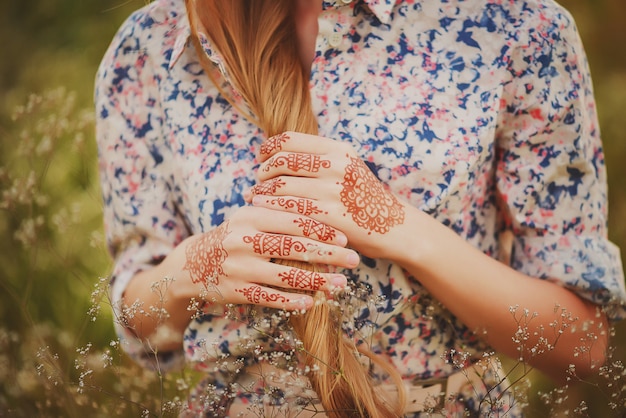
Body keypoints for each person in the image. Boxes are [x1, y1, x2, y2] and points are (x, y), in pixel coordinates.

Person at [95, 0, 626, 416]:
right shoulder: (150, 48)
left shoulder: (517, 27)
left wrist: (397, 228)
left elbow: (581, 346)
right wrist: (196, 267)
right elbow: (139, 329)